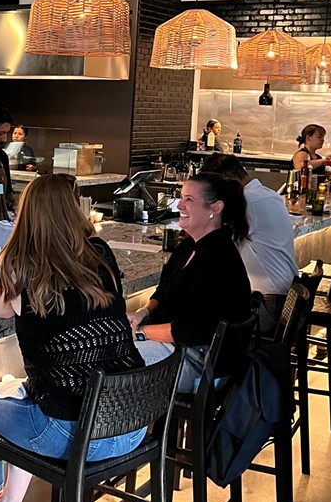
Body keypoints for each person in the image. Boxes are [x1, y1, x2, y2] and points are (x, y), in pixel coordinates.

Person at [0, 174, 148, 502]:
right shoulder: (100, 253)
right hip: (130, 426)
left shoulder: (18, 265)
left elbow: (2, 308)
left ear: (26, 215)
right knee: (24, 392)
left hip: (73, 436)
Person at [127, 173, 252, 392]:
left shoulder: (217, 259)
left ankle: (129, 425)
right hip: (180, 348)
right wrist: (143, 313)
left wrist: (140, 332)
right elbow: (163, 292)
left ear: (215, 208)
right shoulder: (189, 246)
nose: (180, 205)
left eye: (189, 200)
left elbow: (190, 331)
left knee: (114, 364)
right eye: (181, 198)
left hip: (202, 364)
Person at [201, 153, 297, 333]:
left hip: (267, 308)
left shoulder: (246, 201)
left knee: (196, 321)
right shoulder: (268, 194)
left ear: (228, 179)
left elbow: (215, 240)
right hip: (288, 301)